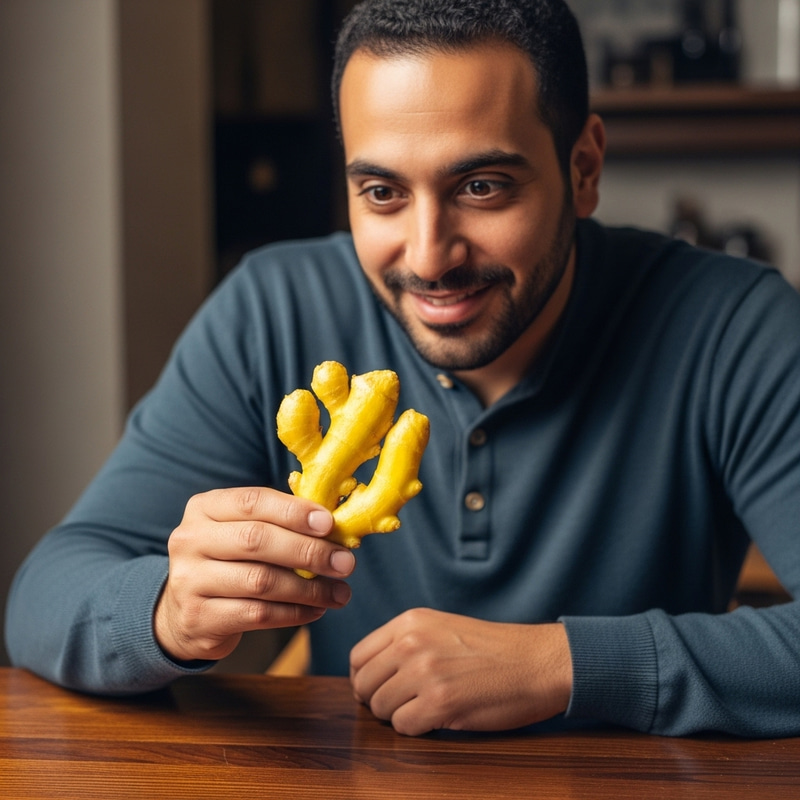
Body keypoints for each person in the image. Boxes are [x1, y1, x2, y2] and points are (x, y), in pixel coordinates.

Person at [6, 0, 800, 738]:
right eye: (382, 192)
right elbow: (44, 596)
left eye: (482, 187)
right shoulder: (271, 307)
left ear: (584, 168)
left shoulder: (733, 325)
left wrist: (559, 666)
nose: (428, 257)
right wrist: (169, 613)